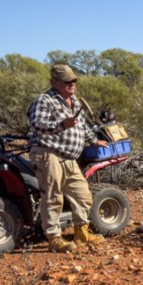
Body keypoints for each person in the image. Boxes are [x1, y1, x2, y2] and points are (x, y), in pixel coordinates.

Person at [27, 63, 104, 253]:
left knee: (83, 195)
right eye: (67, 81)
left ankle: (81, 233)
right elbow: (37, 125)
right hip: (48, 153)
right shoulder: (45, 101)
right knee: (53, 196)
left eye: (73, 80)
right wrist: (62, 124)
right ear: (54, 82)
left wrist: (94, 140)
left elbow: (82, 125)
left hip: (69, 157)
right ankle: (54, 238)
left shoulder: (74, 101)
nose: (72, 84)